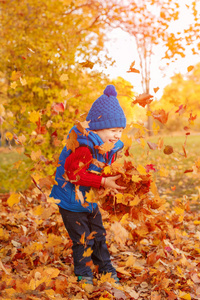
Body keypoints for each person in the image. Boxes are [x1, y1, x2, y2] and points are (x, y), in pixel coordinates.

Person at [50, 84, 126, 285]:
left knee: (99, 235)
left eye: (120, 130)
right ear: (98, 128)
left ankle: (105, 269)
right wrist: (103, 181)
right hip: (71, 202)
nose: (117, 135)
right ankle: (84, 274)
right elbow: (73, 175)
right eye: (113, 129)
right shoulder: (83, 146)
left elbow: (105, 167)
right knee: (83, 239)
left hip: (89, 200)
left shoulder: (107, 145)